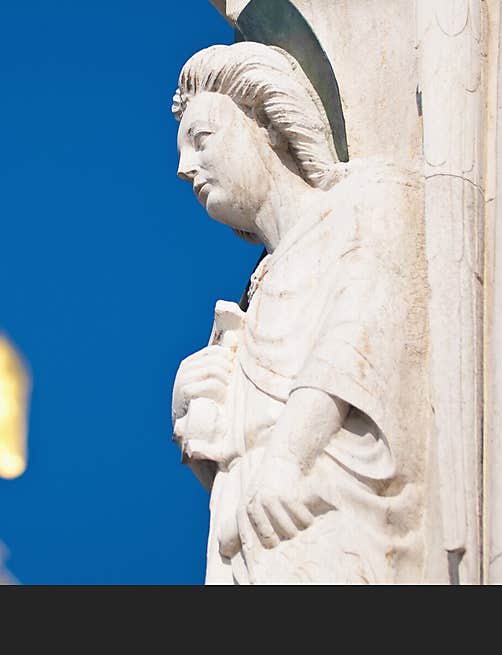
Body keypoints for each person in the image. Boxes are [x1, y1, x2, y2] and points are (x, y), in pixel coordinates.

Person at [170, 42, 430, 583]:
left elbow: (354, 342)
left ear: (265, 121)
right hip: (249, 544)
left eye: (202, 139)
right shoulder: (253, 295)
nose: (184, 168)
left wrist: (288, 455)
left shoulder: (365, 203)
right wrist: (199, 412)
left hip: (333, 519)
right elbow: (239, 447)